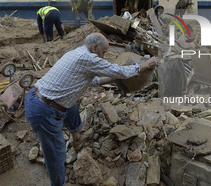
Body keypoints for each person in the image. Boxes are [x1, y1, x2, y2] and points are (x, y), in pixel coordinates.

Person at [25, 33, 158, 186]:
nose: (103, 56)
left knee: (71, 103)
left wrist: (112, 79)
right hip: (43, 111)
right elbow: (119, 70)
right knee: (55, 155)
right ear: (95, 47)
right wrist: (146, 65)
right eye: (104, 52)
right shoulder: (89, 58)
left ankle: (76, 138)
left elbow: (91, 80)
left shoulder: (76, 53)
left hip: (38, 98)